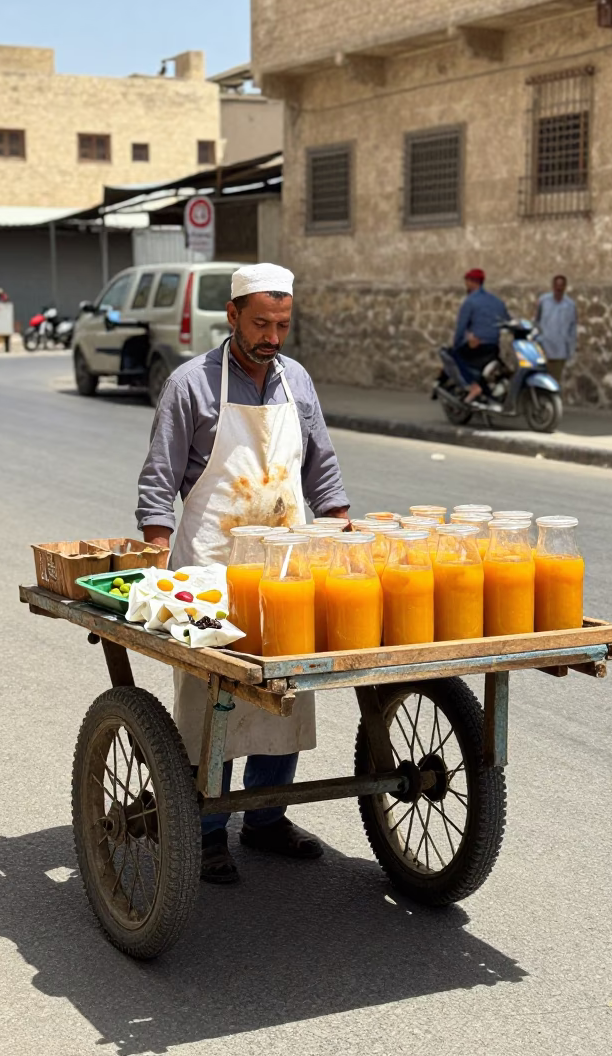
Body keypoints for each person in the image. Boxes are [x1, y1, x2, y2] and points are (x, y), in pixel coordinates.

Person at [136, 263, 350, 884]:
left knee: (283, 689)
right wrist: (155, 552)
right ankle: (204, 828)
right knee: (212, 699)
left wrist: (342, 530)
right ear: (231, 316)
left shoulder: (297, 381)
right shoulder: (191, 385)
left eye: (282, 324)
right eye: (260, 323)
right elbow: (160, 481)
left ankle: (264, 818)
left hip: (284, 564)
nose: (273, 336)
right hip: (210, 567)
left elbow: (322, 469)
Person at [452, 269, 509, 403]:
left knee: (455, 355)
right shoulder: (497, 302)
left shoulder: (470, 301)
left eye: (467, 282)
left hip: (477, 347)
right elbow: (507, 322)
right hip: (493, 347)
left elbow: (461, 328)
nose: (466, 285)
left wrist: (456, 344)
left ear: (472, 283)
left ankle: (474, 386)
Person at [534, 275, 577, 384]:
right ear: (553, 286)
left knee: (554, 382)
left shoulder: (570, 305)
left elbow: (572, 329)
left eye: (561, 286)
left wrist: (570, 350)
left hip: (559, 351)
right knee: (540, 380)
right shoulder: (544, 301)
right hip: (543, 349)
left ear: (565, 287)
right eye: (556, 285)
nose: (558, 288)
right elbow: (537, 321)